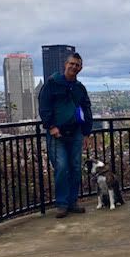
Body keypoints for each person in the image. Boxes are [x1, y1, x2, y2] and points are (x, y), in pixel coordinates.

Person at [38, 52, 93, 218]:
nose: (74, 67)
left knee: (75, 167)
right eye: (72, 64)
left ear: (80, 68)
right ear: (65, 65)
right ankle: (62, 203)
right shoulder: (52, 84)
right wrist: (51, 126)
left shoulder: (79, 88)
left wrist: (86, 132)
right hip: (57, 133)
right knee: (61, 167)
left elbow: (86, 108)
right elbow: (44, 105)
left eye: (77, 65)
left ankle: (72, 202)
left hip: (75, 131)